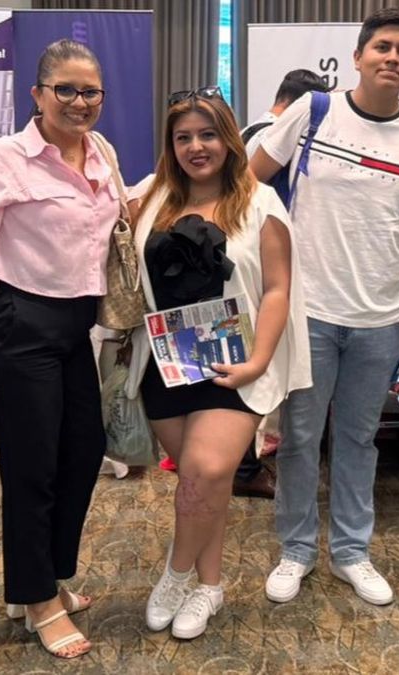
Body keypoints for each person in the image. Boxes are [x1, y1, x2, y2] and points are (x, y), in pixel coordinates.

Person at [249, 7, 399, 606]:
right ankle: (296, 549)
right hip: (307, 312)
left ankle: (350, 551)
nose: (393, 58)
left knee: (360, 440)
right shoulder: (313, 114)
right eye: (383, 47)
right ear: (359, 56)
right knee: (298, 437)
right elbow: (253, 180)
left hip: (382, 319)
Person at [0, 39, 116, 660]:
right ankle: (37, 599)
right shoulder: (5, 156)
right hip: (18, 321)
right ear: (37, 95)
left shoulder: (102, 153)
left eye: (89, 91)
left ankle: (44, 576)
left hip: (75, 326)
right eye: (64, 90)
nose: (78, 102)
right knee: (32, 465)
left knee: (85, 449)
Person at [133, 88, 310, 640]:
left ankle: (175, 572)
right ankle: (209, 586)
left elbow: (279, 289)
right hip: (166, 365)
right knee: (197, 485)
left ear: (229, 140)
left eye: (207, 134)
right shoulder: (152, 198)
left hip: (235, 363)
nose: (196, 146)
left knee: (208, 471)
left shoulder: (260, 203)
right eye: (183, 137)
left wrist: (259, 360)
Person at [228, 68, 329, 501]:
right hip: (272, 264)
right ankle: (246, 466)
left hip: (251, 267)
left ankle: (244, 461)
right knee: (262, 367)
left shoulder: (248, 130)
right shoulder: (277, 139)